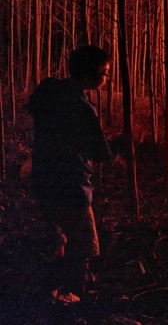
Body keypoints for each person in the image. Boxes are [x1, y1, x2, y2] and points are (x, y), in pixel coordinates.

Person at [28, 45, 112, 302]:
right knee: (84, 247)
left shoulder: (50, 93)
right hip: (72, 186)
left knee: (57, 239)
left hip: (44, 179)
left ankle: (50, 292)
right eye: (105, 72)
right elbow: (101, 152)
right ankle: (72, 298)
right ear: (90, 73)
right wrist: (121, 145)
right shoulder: (80, 107)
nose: (107, 78)